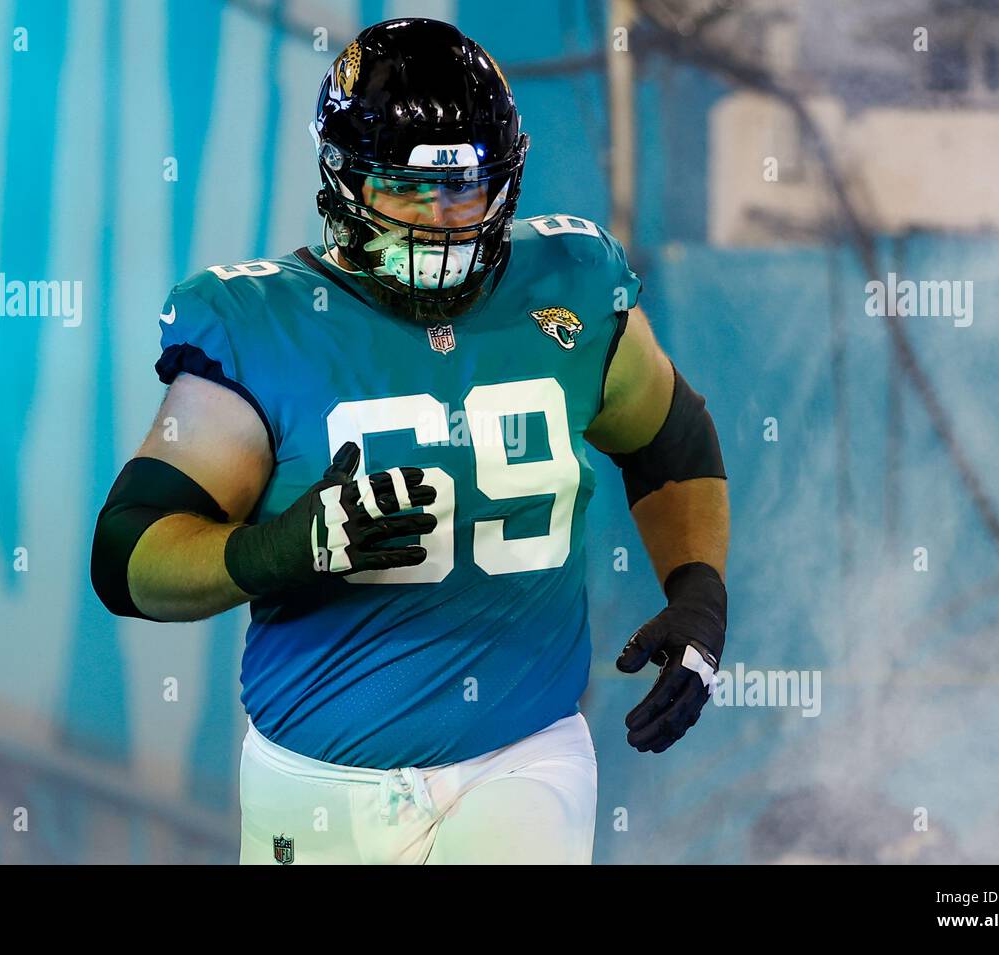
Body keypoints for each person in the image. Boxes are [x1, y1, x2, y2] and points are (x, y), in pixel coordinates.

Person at [91, 17, 730, 864]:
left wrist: (699, 592)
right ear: (344, 179)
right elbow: (127, 554)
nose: (439, 216)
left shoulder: (570, 287)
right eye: (405, 186)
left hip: (523, 752)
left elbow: (671, 440)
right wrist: (278, 549)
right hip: (317, 778)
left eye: (464, 186)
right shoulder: (264, 326)